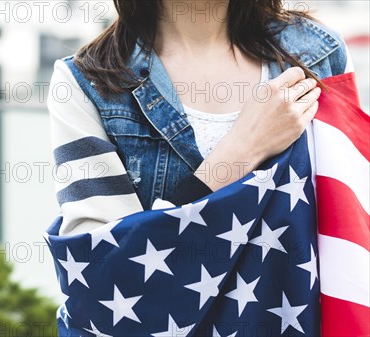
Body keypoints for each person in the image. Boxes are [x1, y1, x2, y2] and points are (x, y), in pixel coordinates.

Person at [47, 0, 354, 237]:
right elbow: (103, 270)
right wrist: (241, 151)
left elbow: (348, 230)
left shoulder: (321, 54)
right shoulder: (87, 83)